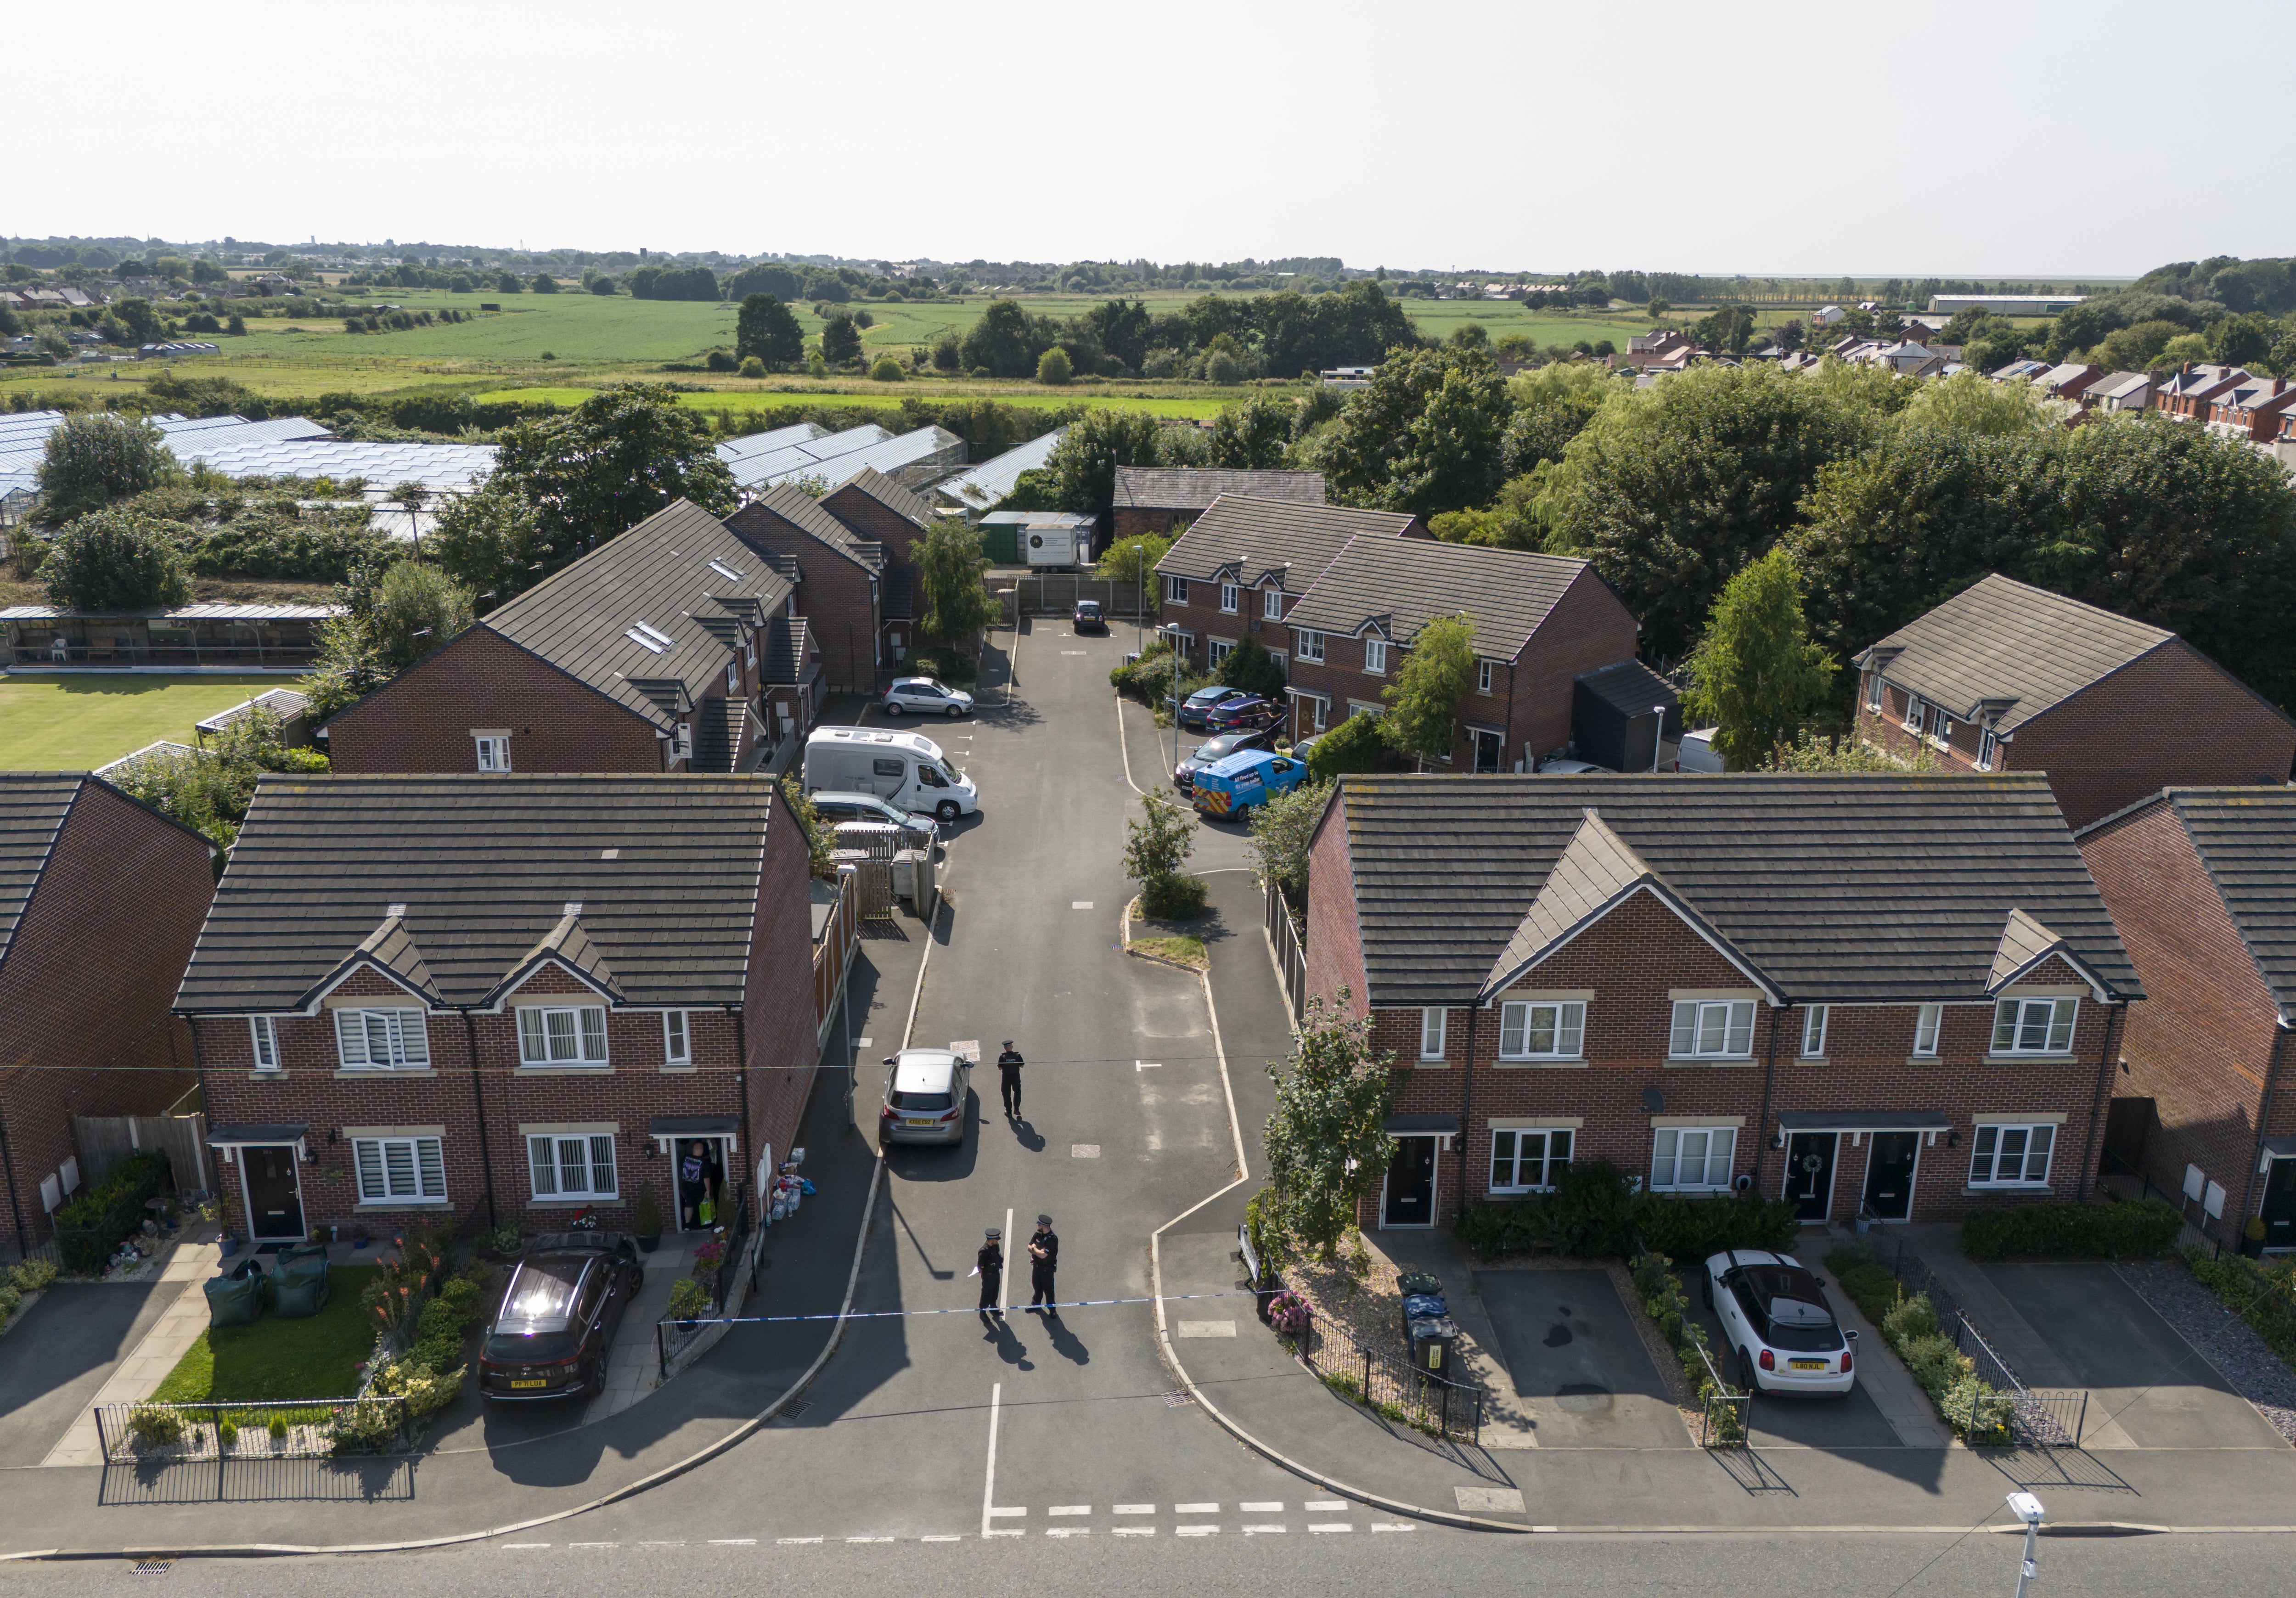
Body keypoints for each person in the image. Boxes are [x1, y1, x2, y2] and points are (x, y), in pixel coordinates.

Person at [1026, 1214, 1059, 1314]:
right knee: (1037, 1288)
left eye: (1039, 1224)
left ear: (1044, 1226)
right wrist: (1036, 1251)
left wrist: (1034, 1248)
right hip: (1037, 1267)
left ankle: (1052, 1310)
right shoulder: (1038, 1234)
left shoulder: (1052, 1239)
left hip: (1047, 1270)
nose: (1038, 1226)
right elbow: (1028, 1247)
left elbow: (1043, 1256)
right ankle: (1036, 1304)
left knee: (1049, 1291)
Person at [975, 1227, 1003, 1319]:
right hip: (988, 1276)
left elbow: (999, 1257)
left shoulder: (996, 1246)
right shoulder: (984, 1251)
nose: (997, 1241)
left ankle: (993, 1307)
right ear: (991, 1240)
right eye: (996, 1239)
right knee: (986, 1293)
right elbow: (981, 1267)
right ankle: (983, 1313)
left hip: (996, 1273)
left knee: (995, 1291)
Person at [996, 1040, 1024, 1119]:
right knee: (1017, 1092)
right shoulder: (1017, 1056)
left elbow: (1000, 1068)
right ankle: (1017, 1109)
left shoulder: (1002, 1057)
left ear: (1005, 1048)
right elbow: (1022, 1066)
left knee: (1006, 1094)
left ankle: (1008, 1111)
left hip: (1006, 1078)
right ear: (1012, 1047)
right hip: (1016, 1077)